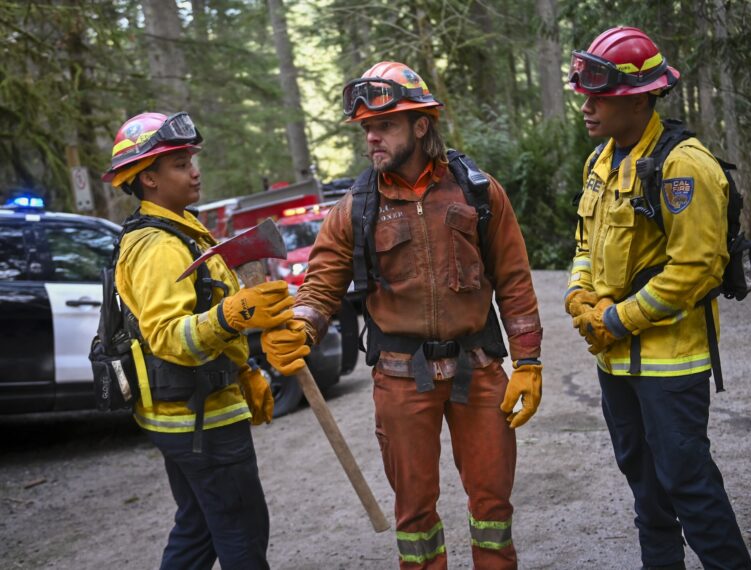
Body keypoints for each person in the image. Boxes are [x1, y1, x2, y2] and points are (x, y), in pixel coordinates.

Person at [262, 61, 543, 569]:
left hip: (478, 371)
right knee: (415, 518)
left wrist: (528, 362)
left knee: (493, 510)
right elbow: (321, 285)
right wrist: (302, 323)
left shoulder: (478, 192)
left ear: (420, 125)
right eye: (366, 128)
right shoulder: (355, 208)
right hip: (400, 378)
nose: (372, 137)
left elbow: (515, 279)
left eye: (384, 125)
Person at [564, 27, 751, 570]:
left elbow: (695, 270)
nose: (587, 106)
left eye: (599, 96)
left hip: (671, 366)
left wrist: (617, 320)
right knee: (645, 492)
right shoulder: (599, 162)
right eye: (584, 94)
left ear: (640, 96)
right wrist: (578, 292)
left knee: (689, 486)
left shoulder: (684, 166)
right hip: (613, 362)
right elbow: (585, 243)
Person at [101, 111, 308, 569]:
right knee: (242, 534)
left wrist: (245, 371)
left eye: (191, 159)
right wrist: (234, 315)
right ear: (148, 178)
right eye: (179, 164)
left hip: (190, 415)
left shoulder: (181, 230)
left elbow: (203, 314)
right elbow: (169, 337)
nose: (194, 170)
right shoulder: (158, 246)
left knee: (199, 530)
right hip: (200, 422)